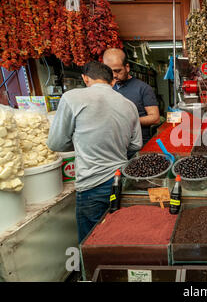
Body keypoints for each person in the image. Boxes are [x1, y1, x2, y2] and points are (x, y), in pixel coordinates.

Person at [47, 61, 142, 244]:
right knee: (119, 236)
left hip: (92, 184)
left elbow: (56, 143)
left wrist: (83, 143)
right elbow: (136, 144)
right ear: (112, 81)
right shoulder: (128, 105)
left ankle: (93, 273)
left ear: (85, 78)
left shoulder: (71, 98)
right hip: (122, 179)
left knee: (93, 243)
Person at [103, 48, 160, 151]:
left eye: (117, 71)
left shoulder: (143, 88)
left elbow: (155, 118)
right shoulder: (106, 88)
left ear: (127, 67)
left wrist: (126, 121)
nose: (114, 75)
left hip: (138, 146)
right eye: (110, 72)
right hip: (114, 146)